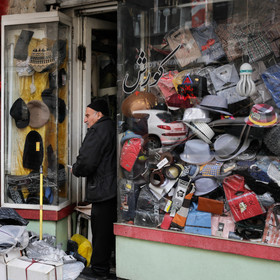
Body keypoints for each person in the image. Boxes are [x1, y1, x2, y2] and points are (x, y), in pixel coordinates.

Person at [72, 98, 117, 280]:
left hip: (103, 192)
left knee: (101, 233)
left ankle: (99, 271)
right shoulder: (112, 128)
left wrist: (76, 169)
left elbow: (86, 162)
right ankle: (102, 267)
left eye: (87, 115)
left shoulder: (98, 130)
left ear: (99, 115)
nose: (85, 120)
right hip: (112, 190)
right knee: (106, 233)